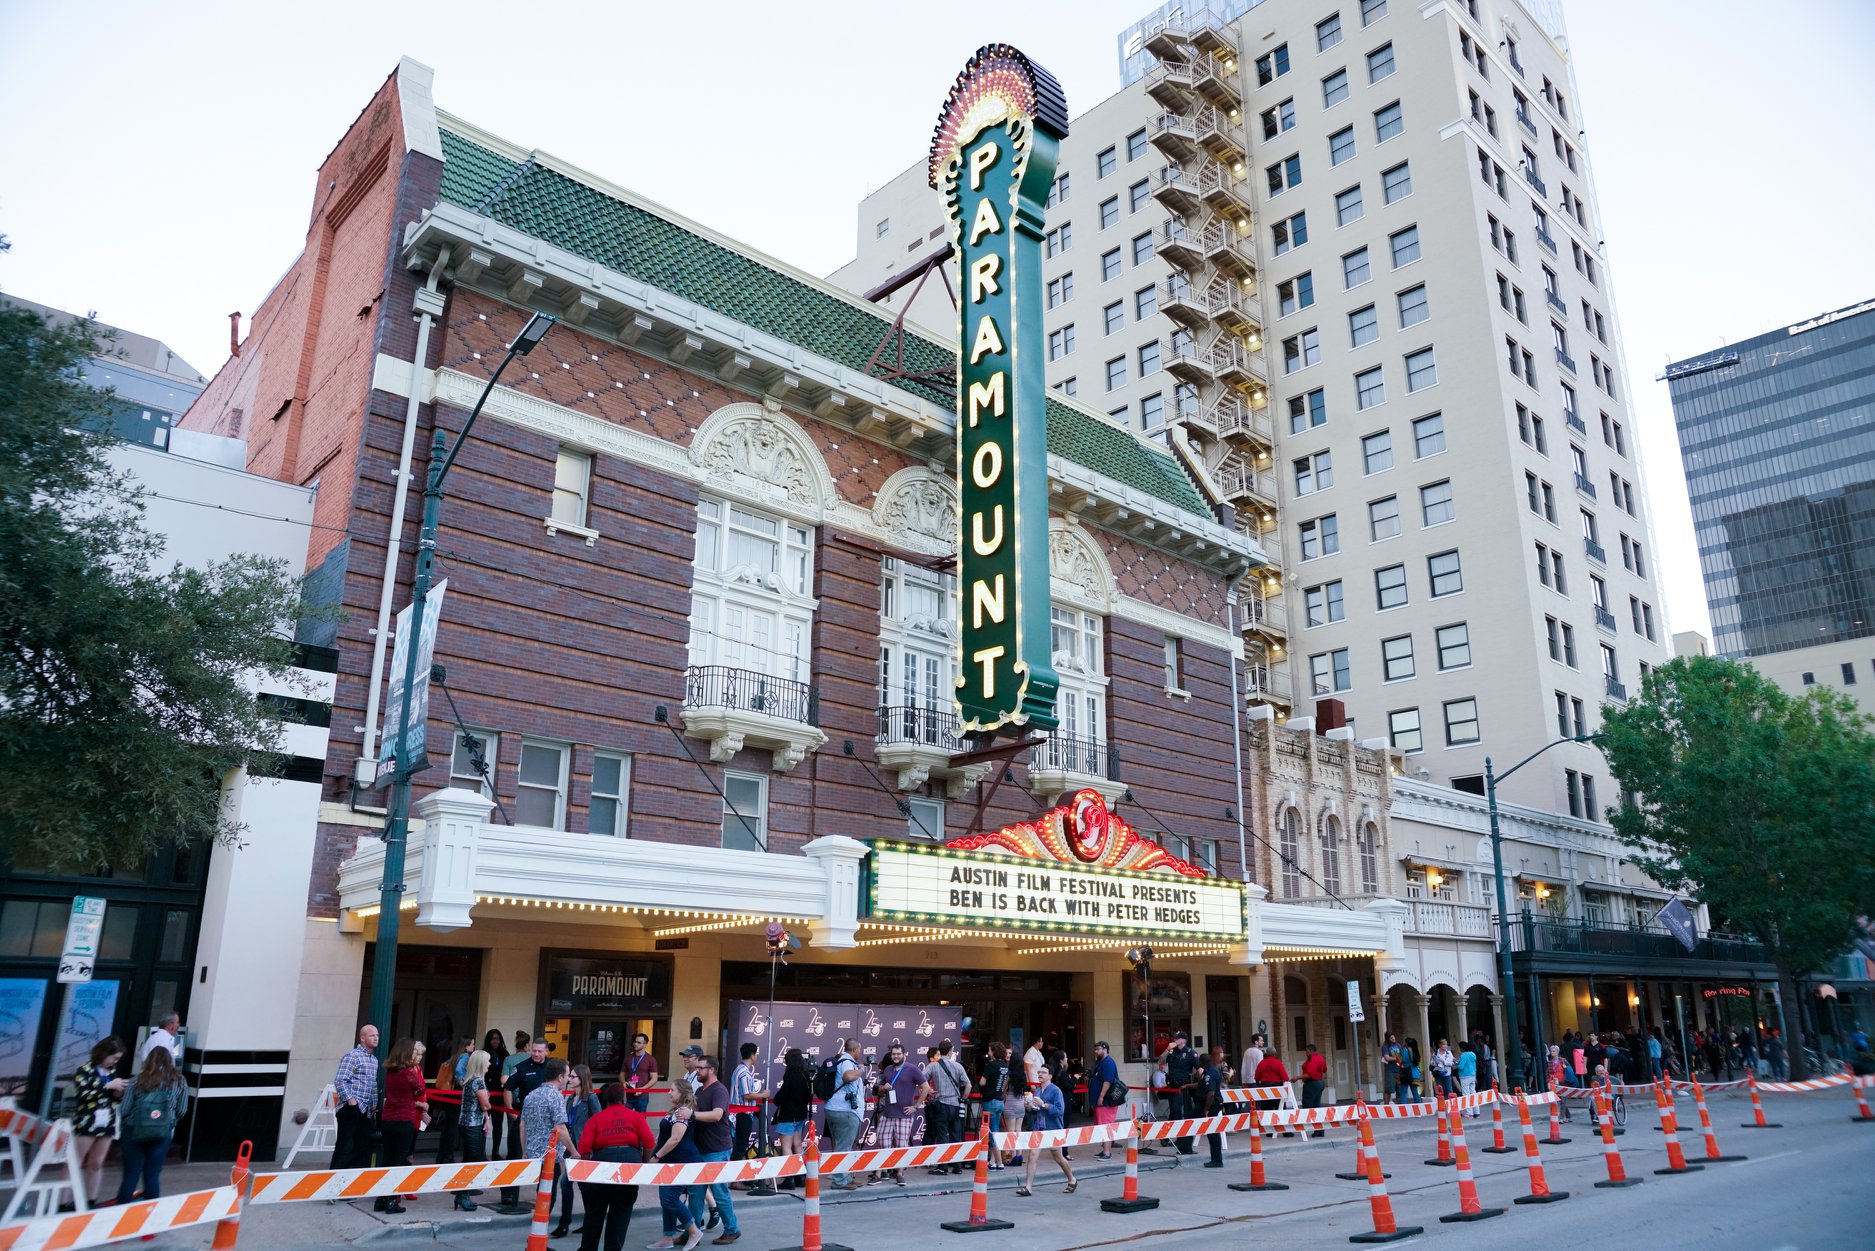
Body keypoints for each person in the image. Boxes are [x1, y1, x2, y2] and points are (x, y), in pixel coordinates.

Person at [576, 1082, 654, 1251]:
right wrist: (644, 1164)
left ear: (606, 1099)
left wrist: (589, 1171)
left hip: (602, 1163)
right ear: (624, 1099)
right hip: (629, 1164)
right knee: (620, 1214)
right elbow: (649, 1142)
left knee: (594, 1212)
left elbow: (584, 1148)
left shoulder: (596, 1119)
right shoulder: (636, 1117)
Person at [114, 1047, 188, 1205]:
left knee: (130, 1176)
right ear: (170, 1061)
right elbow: (182, 1110)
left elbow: (125, 1109)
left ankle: (119, 1218)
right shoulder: (180, 1081)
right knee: (152, 1176)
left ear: (148, 1061)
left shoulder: (137, 1079)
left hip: (134, 1130)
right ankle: (150, 1218)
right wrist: (170, 1121)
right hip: (162, 1131)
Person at [522, 1059, 579, 1232]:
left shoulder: (531, 1095)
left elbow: (522, 1125)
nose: (568, 1079)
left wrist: (525, 1150)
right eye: (567, 1075)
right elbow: (560, 1128)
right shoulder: (555, 1096)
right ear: (560, 1077)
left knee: (541, 1193)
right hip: (550, 1156)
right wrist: (574, 1151)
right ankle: (539, 1235)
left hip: (533, 1153)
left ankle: (538, 1233)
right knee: (548, 1196)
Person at [647, 1080, 705, 1251]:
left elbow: (675, 1139)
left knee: (669, 1198)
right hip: (672, 1161)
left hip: (681, 1161)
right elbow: (667, 1137)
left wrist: (656, 1156)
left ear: (681, 1092)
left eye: (672, 1090)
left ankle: (693, 1230)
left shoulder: (681, 1112)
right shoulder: (676, 1110)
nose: (668, 1093)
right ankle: (667, 1236)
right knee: (666, 1199)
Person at [687, 1055, 739, 1245]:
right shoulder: (700, 1090)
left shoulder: (719, 1090)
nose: (697, 1071)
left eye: (701, 1068)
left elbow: (717, 1115)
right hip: (701, 1148)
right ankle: (692, 1231)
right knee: (695, 1193)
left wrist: (691, 1115)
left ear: (711, 1070)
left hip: (717, 1148)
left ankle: (732, 1229)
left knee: (719, 1191)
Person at [72, 1037, 127, 1204]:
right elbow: (83, 1094)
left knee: (97, 1162)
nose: (114, 1062)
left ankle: (91, 1199)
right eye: (114, 1058)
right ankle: (63, 1201)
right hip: (87, 1121)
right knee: (75, 1161)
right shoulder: (84, 1071)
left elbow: (112, 1099)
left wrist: (118, 1093)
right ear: (103, 1053)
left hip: (106, 1121)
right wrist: (107, 1087)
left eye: (117, 1059)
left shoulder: (111, 1072)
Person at [376, 1037, 428, 1214]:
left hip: (388, 1118)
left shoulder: (390, 1070)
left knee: (387, 1159)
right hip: (404, 1118)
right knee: (399, 1160)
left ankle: (381, 1199)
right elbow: (421, 1088)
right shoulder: (408, 1072)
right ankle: (392, 1200)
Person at [499, 1037, 551, 1211]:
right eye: (534, 1051)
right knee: (514, 1155)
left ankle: (543, 1194)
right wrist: (512, 1112)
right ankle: (507, 1194)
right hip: (524, 1119)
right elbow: (507, 1088)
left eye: (539, 1051)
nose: (536, 1054)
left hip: (545, 1121)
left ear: (546, 1052)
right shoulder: (521, 1068)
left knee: (547, 1159)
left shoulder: (553, 1068)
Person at [554, 1064, 601, 1238]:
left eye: (573, 1076)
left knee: (567, 1183)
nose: (570, 1079)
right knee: (581, 1186)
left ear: (582, 1078)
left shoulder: (590, 1099)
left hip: (584, 1149)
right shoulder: (570, 1099)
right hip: (571, 1148)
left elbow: (598, 1122)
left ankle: (565, 1223)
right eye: (570, 1076)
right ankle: (587, 1222)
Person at [871, 1042, 927, 1186]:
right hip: (888, 1113)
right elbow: (879, 1090)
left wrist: (916, 1106)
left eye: (898, 1054)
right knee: (882, 1143)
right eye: (893, 1054)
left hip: (904, 1115)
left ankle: (900, 1174)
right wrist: (884, 1088)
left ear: (904, 1054)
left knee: (901, 1145)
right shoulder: (888, 1069)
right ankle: (878, 1174)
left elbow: (925, 1088)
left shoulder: (912, 1069)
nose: (895, 1056)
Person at [1015, 1065, 1075, 1197]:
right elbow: (1036, 1111)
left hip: (1053, 1130)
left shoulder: (1056, 1091)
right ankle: (1028, 1187)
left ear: (1050, 1076)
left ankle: (1072, 1179)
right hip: (1039, 1128)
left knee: (1058, 1157)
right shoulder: (1037, 1090)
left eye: (1043, 1072)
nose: (1040, 1074)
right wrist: (1029, 1107)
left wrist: (1043, 1104)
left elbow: (1060, 1111)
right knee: (1032, 1155)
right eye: (1039, 1072)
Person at [332, 1024, 380, 1171]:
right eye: (372, 1035)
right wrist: (351, 1102)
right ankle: (332, 1185)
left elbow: (372, 1086)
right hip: (351, 1108)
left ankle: (349, 1184)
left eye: (377, 1035)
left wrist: (373, 1108)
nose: (376, 1038)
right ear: (362, 1038)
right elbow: (340, 1080)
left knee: (361, 1148)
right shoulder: (352, 1056)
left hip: (366, 1111)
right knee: (344, 1147)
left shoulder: (374, 1060)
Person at [728, 1043, 772, 1194]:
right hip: (742, 1114)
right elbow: (747, 1095)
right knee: (740, 1147)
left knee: (738, 1146)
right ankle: (735, 1180)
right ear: (752, 1055)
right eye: (756, 1054)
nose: (757, 1057)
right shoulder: (744, 1073)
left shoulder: (739, 1070)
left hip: (740, 1113)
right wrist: (763, 1095)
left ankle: (735, 1178)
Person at [454, 1050, 494, 1212]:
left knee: (469, 1158)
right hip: (472, 1124)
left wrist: (486, 1117)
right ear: (481, 1063)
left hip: (466, 1122)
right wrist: (487, 1112)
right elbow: (485, 1105)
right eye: (488, 1061)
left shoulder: (469, 1080)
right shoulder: (478, 1082)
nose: (489, 1064)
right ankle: (463, 1194)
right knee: (472, 1159)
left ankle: (462, 1193)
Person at [825, 1038, 866, 1192]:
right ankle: (840, 1180)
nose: (860, 1053)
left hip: (834, 1108)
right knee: (844, 1146)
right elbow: (848, 1077)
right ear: (855, 1049)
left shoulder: (842, 1061)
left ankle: (845, 1177)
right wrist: (860, 1071)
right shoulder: (847, 1062)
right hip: (845, 1111)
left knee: (841, 1145)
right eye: (860, 1050)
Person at [926, 1039, 971, 1174]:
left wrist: (929, 1091)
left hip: (941, 1105)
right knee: (956, 1136)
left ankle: (943, 1166)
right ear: (951, 1051)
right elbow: (968, 1085)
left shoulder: (933, 1066)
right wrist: (963, 1099)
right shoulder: (958, 1066)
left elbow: (921, 1079)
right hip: (956, 1105)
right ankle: (957, 1166)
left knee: (942, 1136)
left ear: (939, 1052)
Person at [771, 1049, 811, 1191]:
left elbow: (781, 1096)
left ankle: (790, 1178)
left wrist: (776, 1099)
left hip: (788, 1115)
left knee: (786, 1146)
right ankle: (801, 1176)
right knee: (797, 1145)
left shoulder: (791, 1076)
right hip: (800, 1114)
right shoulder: (805, 1075)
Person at [980, 1041, 1013, 1170]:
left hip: (990, 1101)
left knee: (992, 1134)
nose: (988, 1053)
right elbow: (1005, 1082)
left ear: (994, 1052)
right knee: (995, 1131)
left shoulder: (991, 1065)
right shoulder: (1005, 1066)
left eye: (990, 1050)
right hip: (1000, 1101)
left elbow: (982, 1082)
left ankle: (999, 1163)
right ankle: (993, 1162)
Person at [1163, 1032, 1196, 1154]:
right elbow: (1161, 1061)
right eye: (1174, 1038)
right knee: (1173, 1111)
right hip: (1171, 1086)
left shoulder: (1190, 1053)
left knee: (1177, 1110)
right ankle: (1167, 1136)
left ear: (1184, 1040)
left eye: (1177, 1038)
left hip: (1182, 1087)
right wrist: (1167, 1049)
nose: (1175, 1040)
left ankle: (1180, 1138)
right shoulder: (1173, 1051)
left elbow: (1199, 1069)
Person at [1089, 1040, 1122, 1158]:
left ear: (1105, 1049)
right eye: (1095, 1049)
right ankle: (1104, 1150)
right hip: (1100, 1101)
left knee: (1106, 1125)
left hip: (1106, 1101)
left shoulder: (1108, 1062)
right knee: (1101, 1125)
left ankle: (1107, 1152)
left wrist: (1101, 1096)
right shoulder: (1100, 1062)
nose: (1096, 1051)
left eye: (1098, 1049)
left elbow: (1107, 1081)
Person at [1195, 1049, 1227, 1168]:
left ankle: (1217, 1160)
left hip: (1211, 1105)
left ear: (1202, 1063)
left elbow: (1211, 1093)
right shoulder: (1210, 1070)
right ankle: (1185, 1145)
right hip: (1210, 1104)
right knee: (1209, 1130)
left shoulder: (1209, 1073)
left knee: (1212, 1132)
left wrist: (1206, 1110)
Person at [483, 1029, 511, 1159]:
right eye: (493, 1038)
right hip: (485, 1093)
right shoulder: (483, 1053)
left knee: (498, 1124)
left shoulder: (504, 1054)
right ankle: (481, 1151)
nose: (495, 1041)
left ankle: (495, 1152)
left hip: (499, 1094)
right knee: (483, 1123)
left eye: (497, 1039)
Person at [1254, 1046, 1290, 1135]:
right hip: (1277, 1088)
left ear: (1266, 1054)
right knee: (1280, 1110)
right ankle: (1285, 1132)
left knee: (1267, 1111)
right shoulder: (1278, 1063)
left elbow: (1256, 1077)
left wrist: (1260, 1086)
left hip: (1265, 1088)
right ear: (1274, 1054)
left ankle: (1269, 1132)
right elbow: (1285, 1077)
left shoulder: (1261, 1063)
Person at [622, 1033, 659, 1114]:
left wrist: (643, 1089)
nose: (635, 1044)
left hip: (642, 1096)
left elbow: (654, 1078)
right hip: (628, 1095)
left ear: (645, 1044)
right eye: (635, 1042)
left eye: (639, 1043)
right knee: (625, 1119)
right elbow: (622, 1074)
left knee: (641, 1120)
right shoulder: (628, 1058)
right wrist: (623, 1082)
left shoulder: (650, 1059)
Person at [1299, 1042, 1328, 1137]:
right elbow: (1324, 1070)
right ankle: (1319, 1130)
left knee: (1307, 1106)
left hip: (1312, 1083)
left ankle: (1311, 1127)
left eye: (1306, 1051)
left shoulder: (1312, 1060)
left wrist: (1297, 1077)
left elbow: (1309, 1074)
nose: (1305, 1053)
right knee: (1316, 1106)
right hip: (1320, 1083)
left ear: (1310, 1051)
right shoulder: (1320, 1058)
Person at [1456, 1041, 1479, 1116]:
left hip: (1465, 1076)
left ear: (1462, 1048)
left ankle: (1469, 1113)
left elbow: (1461, 1067)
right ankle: (1476, 1112)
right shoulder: (1473, 1054)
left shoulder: (1463, 1055)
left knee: (1466, 1095)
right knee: (1473, 1093)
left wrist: (1456, 1065)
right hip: (1472, 1075)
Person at [1380, 1033, 1403, 1103]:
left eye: (1394, 1037)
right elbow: (1387, 1058)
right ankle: (1386, 1107)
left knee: (1399, 1090)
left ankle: (1400, 1107)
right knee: (1388, 1090)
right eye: (1391, 1038)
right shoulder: (1385, 1047)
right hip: (1390, 1071)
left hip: (1399, 1070)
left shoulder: (1398, 1045)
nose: (1393, 1039)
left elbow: (1402, 1055)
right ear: (1387, 1039)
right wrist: (1397, 1058)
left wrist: (1399, 1059)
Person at [1398, 1038, 1422, 1103]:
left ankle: (1403, 1109)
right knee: (1415, 1092)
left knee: (1403, 1092)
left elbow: (1399, 1060)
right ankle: (1419, 1108)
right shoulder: (1415, 1051)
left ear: (1406, 1043)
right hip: (1415, 1074)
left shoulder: (1404, 1051)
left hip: (1405, 1074)